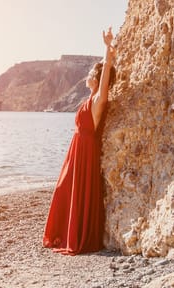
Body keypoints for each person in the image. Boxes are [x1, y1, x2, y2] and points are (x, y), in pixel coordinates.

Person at [43, 27, 116, 255]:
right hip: (77, 150)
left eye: (92, 74)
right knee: (64, 189)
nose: (88, 76)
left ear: (96, 78)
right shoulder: (89, 99)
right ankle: (64, 232)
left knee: (70, 190)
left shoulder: (98, 99)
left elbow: (106, 80)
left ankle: (76, 236)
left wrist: (107, 50)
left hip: (86, 149)